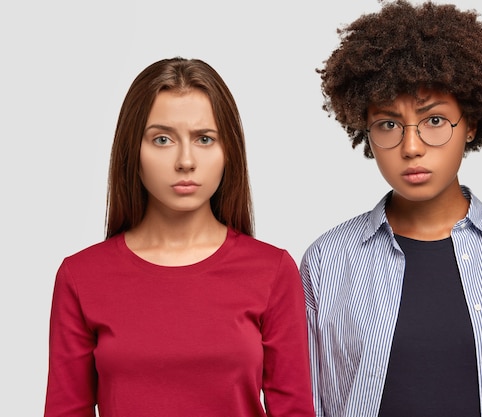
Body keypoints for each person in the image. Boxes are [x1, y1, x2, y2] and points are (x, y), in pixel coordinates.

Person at [300, 1, 482, 416]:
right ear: (366, 131)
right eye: (389, 124)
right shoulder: (328, 260)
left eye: (434, 121)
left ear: (472, 124)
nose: (411, 148)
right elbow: (312, 403)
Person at [44, 57, 315, 417]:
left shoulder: (273, 271)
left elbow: (293, 410)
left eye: (204, 139)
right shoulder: (80, 277)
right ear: (132, 152)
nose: (185, 160)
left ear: (227, 151)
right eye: (162, 139)